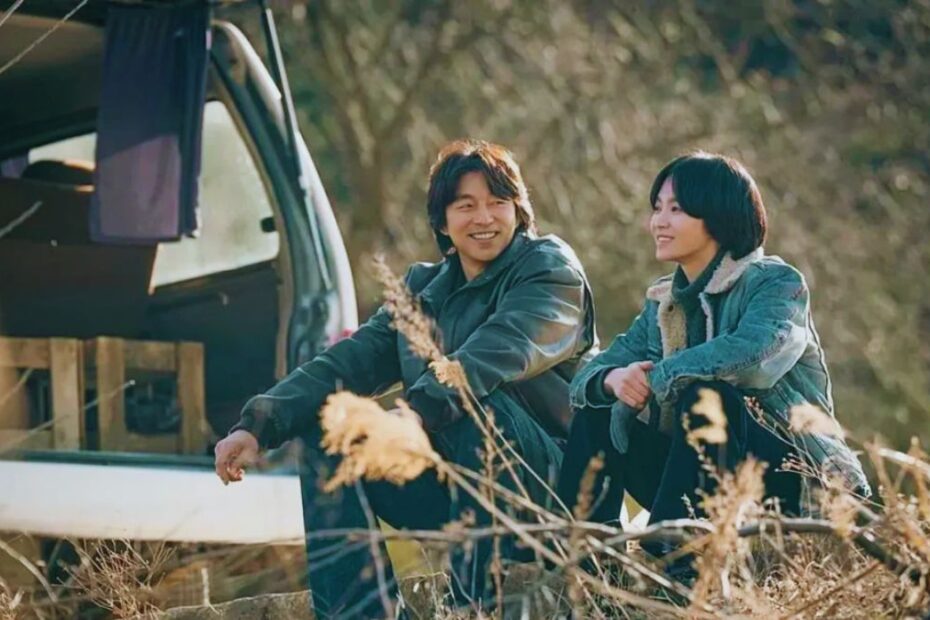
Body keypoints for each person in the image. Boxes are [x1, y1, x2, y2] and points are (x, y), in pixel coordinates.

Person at [214, 139, 597, 618]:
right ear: (442, 222)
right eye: (466, 206)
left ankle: (471, 607)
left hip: (551, 487)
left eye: (498, 202)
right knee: (332, 430)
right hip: (451, 487)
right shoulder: (422, 291)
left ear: (518, 211)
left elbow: (497, 351)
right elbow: (347, 363)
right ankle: (357, 613)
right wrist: (258, 424)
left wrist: (417, 413)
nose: (484, 218)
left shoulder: (550, 269)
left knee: (474, 402)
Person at [557, 152, 870, 565]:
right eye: (657, 208)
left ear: (719, 215)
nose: (659, 222)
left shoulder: (777, 284)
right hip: (692, 479)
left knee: (708, 396)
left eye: (676, 210)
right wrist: (614, 380)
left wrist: (660, 375)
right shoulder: (663, 301)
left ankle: (678, 561)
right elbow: (588, 376)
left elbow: (754, 355)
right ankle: (586, 563)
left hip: (790, 480)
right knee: (598, 408)